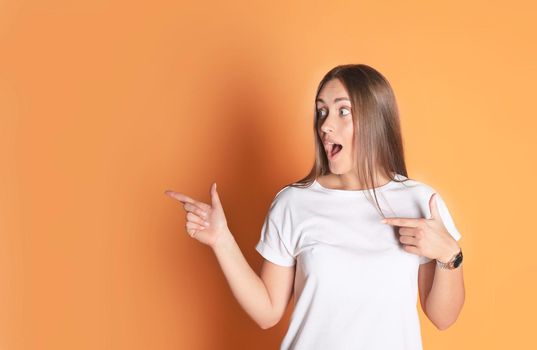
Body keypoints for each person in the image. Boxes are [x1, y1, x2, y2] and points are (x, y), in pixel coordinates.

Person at [164, 64, 465, 350]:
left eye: (342, 111)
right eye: (322, 111)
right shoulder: (294, 203)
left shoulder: (420, 202)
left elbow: (443, 317)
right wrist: (222, 241)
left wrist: (449, 256)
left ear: (376, 118)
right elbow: (268, 312)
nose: (326, 125)